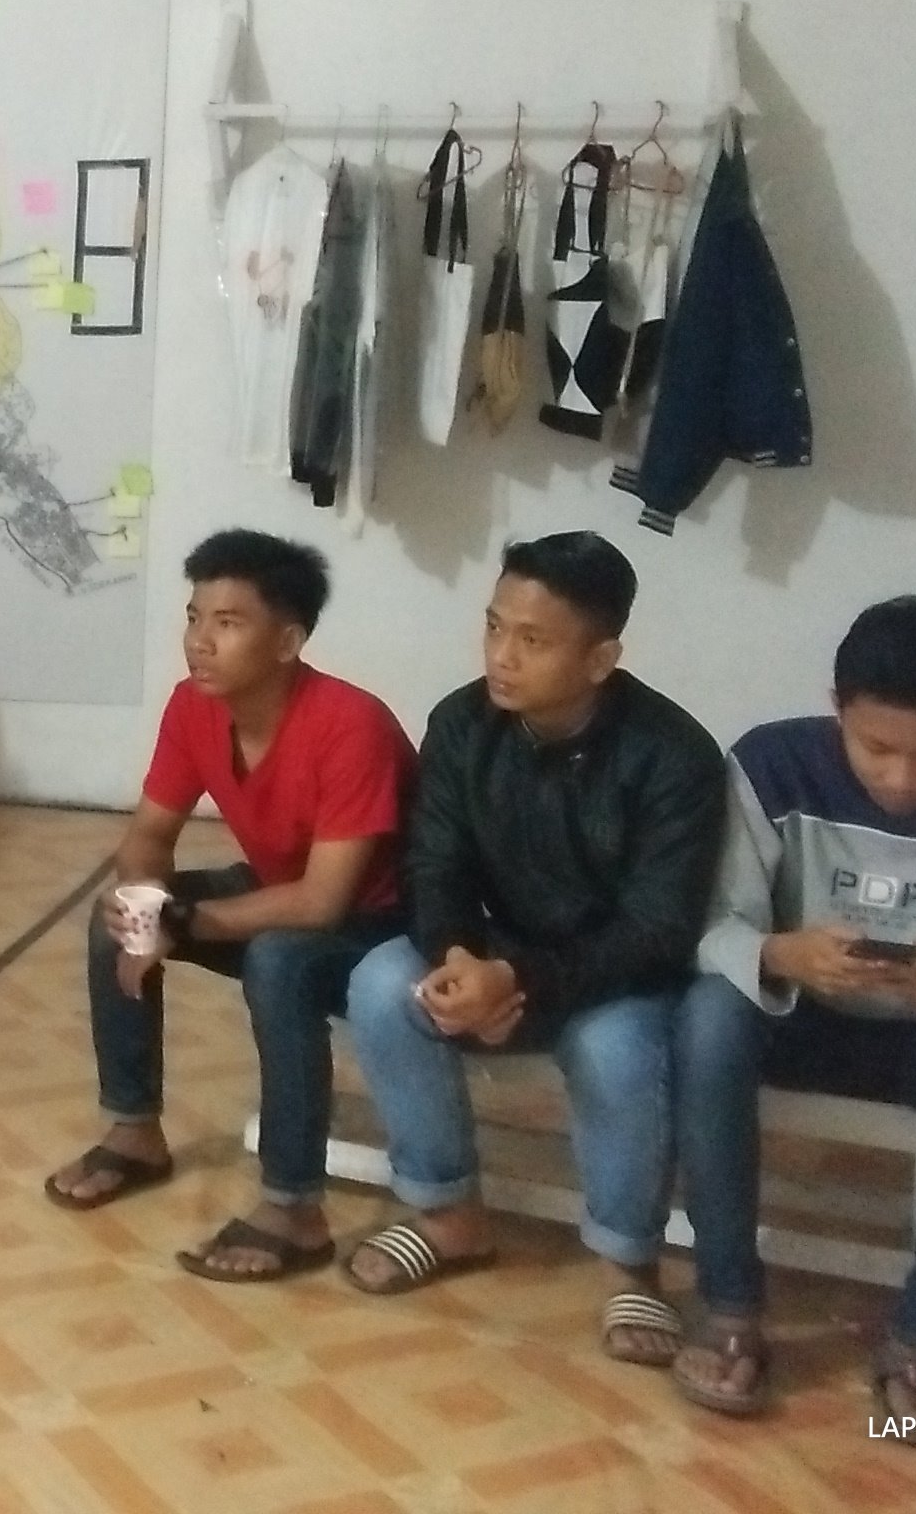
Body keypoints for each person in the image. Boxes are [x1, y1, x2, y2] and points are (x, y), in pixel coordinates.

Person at [671, 598, 916, 1430]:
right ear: (837, 709)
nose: (900, 778)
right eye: (876, 748)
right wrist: (785, 954)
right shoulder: (772, 765)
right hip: (796, 1014)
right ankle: (730, 1307)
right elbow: (711, 927)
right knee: (709, 1018)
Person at [340, 532, 726, 1366]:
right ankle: (447, 1212)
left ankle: (630, 1263)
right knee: (381, 983)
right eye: (493, 627)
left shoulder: (674, 755)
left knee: (615, 1048)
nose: (501, 657)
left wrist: (517, 981)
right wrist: (459, 961)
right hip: (494, 952)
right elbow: (433, 864)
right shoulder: (461, 723)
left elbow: (660, 927)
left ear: (601, 658)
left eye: (533, 640)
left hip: (618, 972)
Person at [41, 532, 417, 1284]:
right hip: (282, 893)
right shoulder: (194, 707)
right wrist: (145, 914)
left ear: (288, 641)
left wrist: (184, 924)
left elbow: (323, 901)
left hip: (382, 924)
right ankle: (134, 1131)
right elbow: (149, 837)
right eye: (194, 617)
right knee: (114, 916)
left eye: (228, 622)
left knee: (279, 961)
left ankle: (294, 1209)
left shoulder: (351, 724)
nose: (199, 641)